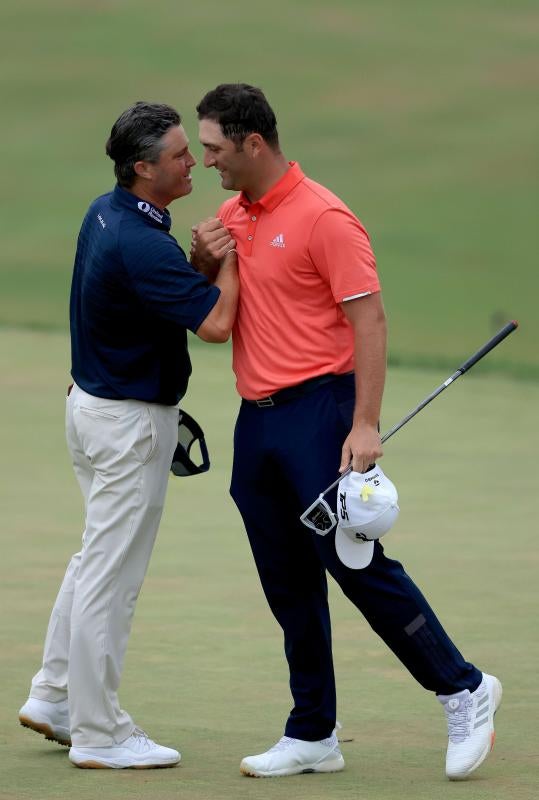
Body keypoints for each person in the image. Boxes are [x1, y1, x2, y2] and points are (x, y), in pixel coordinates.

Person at [191, 83, 502, 781]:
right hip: (257, 422)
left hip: (321, 413)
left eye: (212, 148)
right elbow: (218, 319)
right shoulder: (229, 216)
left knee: (356, 567)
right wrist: (203, 261)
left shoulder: (324, 217)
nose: (205, 161)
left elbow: (369, 322)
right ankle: (312, 731)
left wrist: (363, 422)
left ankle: (462, 687)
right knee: (287, 583)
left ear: (253, 143)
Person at [18, 101, 238, 770]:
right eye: (176, 154)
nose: (190, 161)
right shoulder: (139, 240)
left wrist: (196, 265)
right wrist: (225, 261)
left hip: (92, 409)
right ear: (143, 168)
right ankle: (98, 732)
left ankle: (54, 697)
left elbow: (162, 297)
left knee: (94, 563)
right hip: (126, 427)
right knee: (112, 579)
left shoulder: (107, 211)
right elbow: (217, 325)